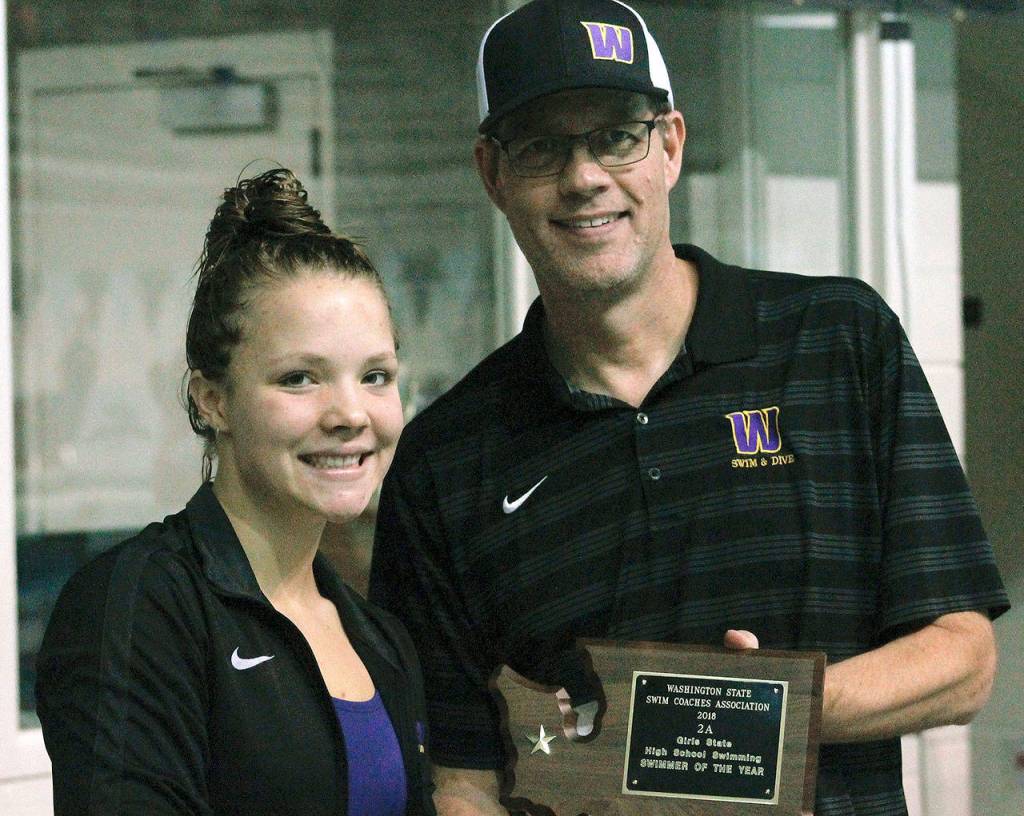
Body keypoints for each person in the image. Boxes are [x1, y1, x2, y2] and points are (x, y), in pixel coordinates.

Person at [367, 2, 1010, 815]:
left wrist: (757, 714)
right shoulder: (446, 460)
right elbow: (463, 778)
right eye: (541, 147)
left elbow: (962, 658)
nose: (584, 177)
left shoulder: (837, 343)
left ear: (669, 145)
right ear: (494, 175)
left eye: (615, 137)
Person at [35, 168, 436, 816]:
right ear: (212, 399)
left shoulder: (381, 641)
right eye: (301, 378)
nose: (350, 413)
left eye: (375, 375)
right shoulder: (139, 609)